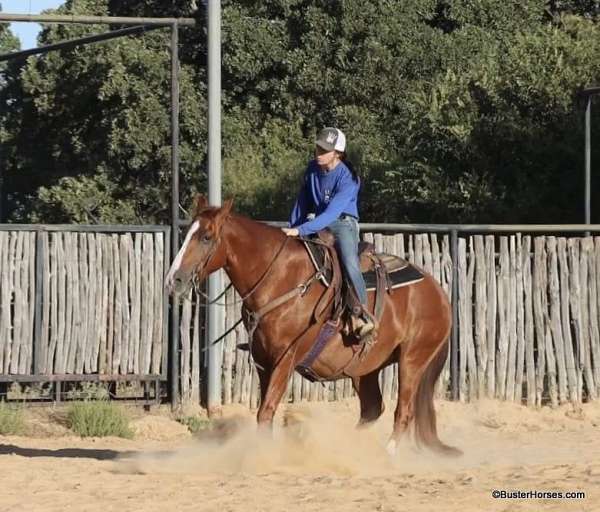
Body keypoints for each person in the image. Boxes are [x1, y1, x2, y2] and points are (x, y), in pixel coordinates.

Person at [282, 127, 374, 339]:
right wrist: (292, 227)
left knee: (350, 263)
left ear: (338, 153)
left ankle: (363, 315)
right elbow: (302, 201)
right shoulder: (312, 169)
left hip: (343, 223)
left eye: (324, 150)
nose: (318, 153)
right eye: (318, 148)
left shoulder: (349, 178)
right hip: (317, 222)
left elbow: (333, 213)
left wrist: (301, 229)